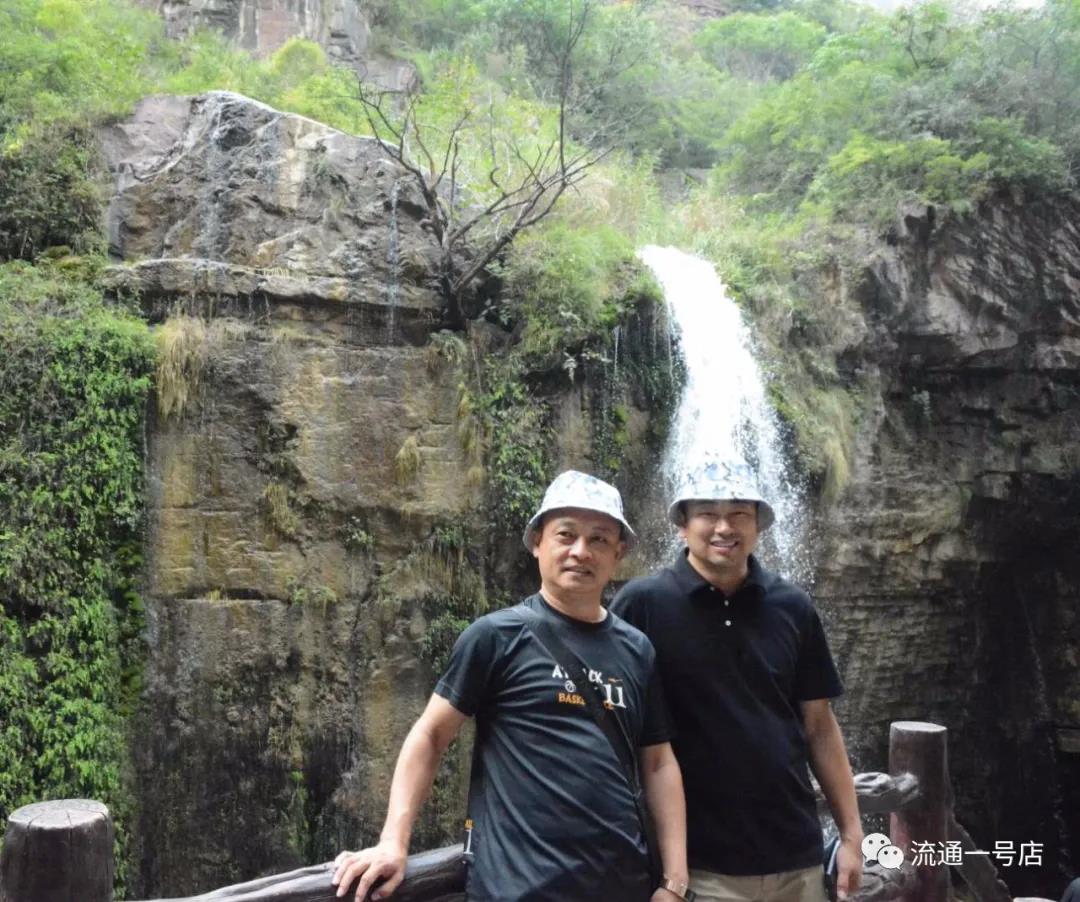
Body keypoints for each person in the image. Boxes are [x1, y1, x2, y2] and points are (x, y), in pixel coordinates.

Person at [332, 470, 691, 902]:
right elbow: (431, 735)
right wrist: (393, 841)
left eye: (598, 539)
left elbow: (658, 764)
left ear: (618, 552)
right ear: (537, 542)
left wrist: (674, 882)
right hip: (516, 888)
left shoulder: (637, 649)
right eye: (566, 535)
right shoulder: (495, 636)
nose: (581, 551)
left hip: (622, 885)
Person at [611, 459, 863, 902]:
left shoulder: (792, 606)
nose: (724, 527)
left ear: (758, 524)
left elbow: (819, 726)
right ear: (682, 525)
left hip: (797, 859)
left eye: (739, 514)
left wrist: (851, 835)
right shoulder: (642, 605)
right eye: (708, 514)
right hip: (698, 869)